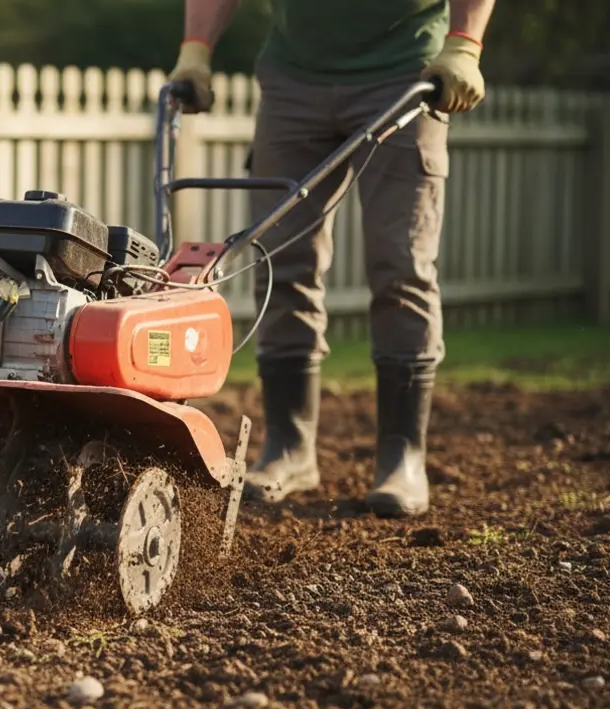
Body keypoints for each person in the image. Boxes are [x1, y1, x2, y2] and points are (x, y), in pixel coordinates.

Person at [169, 0, 494, 516]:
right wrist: (195, 50)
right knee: (279, 262)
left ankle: (402, 456)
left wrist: (465, 43)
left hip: (404, 76)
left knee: (401, 266)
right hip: (293, 80)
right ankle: (289, 447)